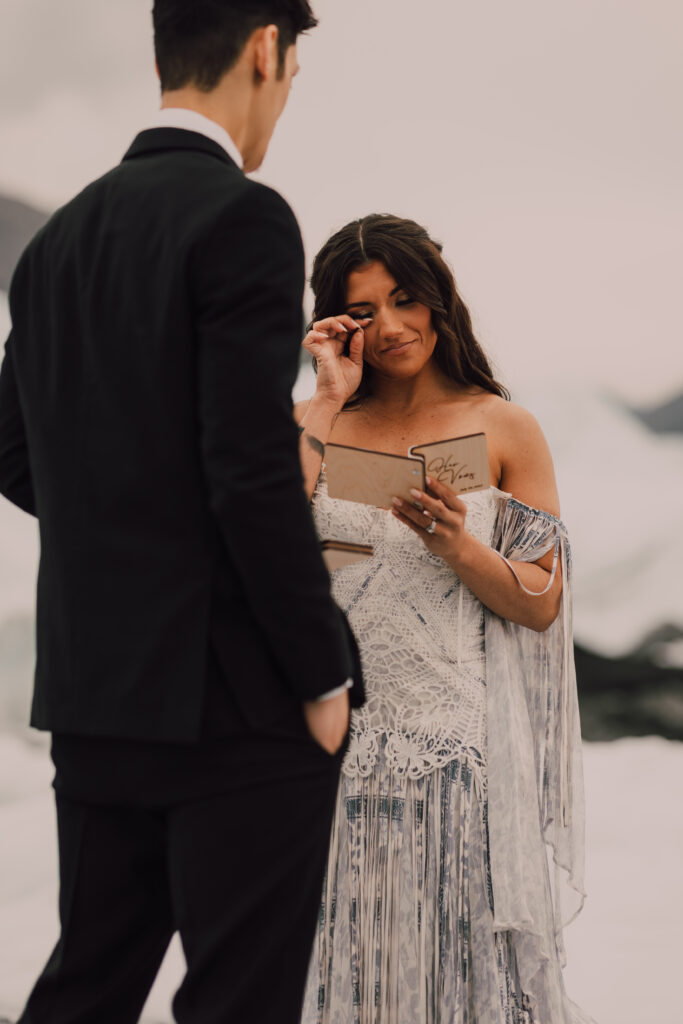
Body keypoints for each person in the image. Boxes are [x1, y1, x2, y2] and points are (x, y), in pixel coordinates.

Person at [0, 3, 364, 1023]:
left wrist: (127, 531)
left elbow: (15, 452)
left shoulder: (53, 246)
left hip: (94, 696)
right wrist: (320, 667)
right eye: (290, 75)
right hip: (237, 704)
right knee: (239, 1002)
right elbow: (243, 470)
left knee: (88, 984)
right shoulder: (243, 217)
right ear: (264, 49)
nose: (281, 104)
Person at [295, 215, 594, 1024]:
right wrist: (324, 397)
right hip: (331, 761)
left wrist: (462, 546)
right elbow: (271, 554)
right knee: (346, 975)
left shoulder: (498, 427)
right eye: (362, 311)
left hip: (460, 763)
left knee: (454, 985)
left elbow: (542, 602)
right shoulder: (317, 426)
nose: (389, 326)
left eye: (404, 299)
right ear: (335, 323)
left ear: (436, 299)